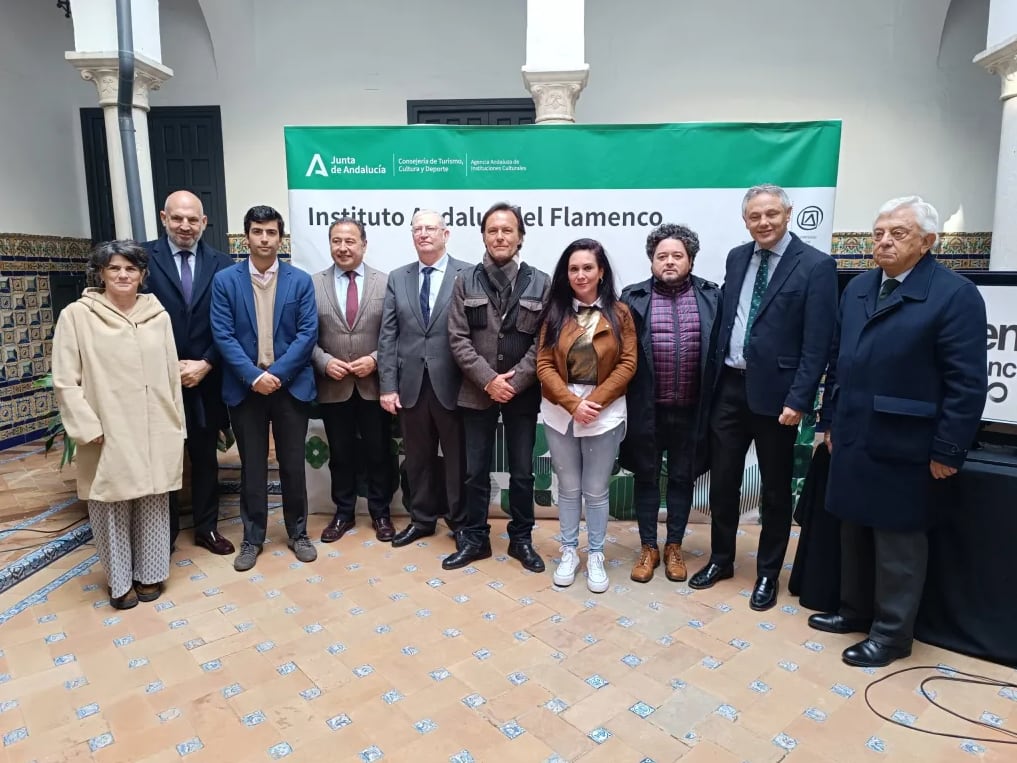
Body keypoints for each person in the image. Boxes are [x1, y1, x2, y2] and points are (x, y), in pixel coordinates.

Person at [808, 196, 987, 668]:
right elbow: (837, 362)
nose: (884, 241)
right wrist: (827, 421)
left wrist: (949, 448)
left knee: (897, 542)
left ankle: (891, 635)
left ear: (927, 242)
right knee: (853, 528)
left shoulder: (955, 295)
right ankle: (853, 610)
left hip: (907, 443)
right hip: (851, 433)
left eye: (898, 233)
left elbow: (966, 384)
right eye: (879, 233)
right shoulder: (860, 287)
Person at [689, 184, 837, 612]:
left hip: (780, 398)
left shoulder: (816, 266)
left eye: (772, 213)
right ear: (746, 220)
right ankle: (721, 559)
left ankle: (769, 573)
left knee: (774, 490)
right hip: (729, 389)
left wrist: (800, 398)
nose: (764, 222)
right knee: (723, 483)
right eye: (755, 216)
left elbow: (819, 341)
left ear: (788, 213)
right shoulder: (737, 258)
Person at [52, 240, 185, 609]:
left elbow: (172, 375)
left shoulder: (157, 315)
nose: (123, 275)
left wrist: (177, 424)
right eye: (115, 268)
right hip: (106, 428)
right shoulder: (77, 316)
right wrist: (85, 425)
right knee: (110, 502)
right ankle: (119, 581)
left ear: (142, 275)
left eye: (131, 269)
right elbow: (65, 379)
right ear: (101, 274)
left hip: (156, 424)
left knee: (153, 498)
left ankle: (150, 574)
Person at [210, 205, 318, 571]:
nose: (265, 239)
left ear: (280, 237)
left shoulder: (299, 281)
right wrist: (254, 377)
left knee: (292, 466)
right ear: (246, 237)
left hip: (290, 388)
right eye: (258, 232)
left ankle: (298, 533)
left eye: (272, 232)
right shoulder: (226, 281)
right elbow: (222, 336)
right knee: (252, 467)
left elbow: (307, 335)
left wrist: (278, 374)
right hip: (245, 389)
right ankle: (252, 539)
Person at [446, 203, 551, 572]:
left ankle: (521, 540)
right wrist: (489, 380)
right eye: (493, 230)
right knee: (475, 471)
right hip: (477, 392)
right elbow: (457, 339)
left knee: (523, 472)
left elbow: (544, 342)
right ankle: (475, 539)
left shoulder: (541, 281)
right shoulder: (465, 280)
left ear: (520, 236)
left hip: (522, 394)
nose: (500, 237)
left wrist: (515, 381)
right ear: (483, 236)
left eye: (508, 230)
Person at [620, 223, 721, 584]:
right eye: (661, 256)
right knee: (646, 477)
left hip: (694, 409)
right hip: (647, 409)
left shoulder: (713, 297)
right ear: (651, 261)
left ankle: (673, 546)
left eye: (677, 255)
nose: (669, 261)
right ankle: (648, 547)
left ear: (690, 259)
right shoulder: (632, 298)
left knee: (682, 478)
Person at [536, 239, 636, 593]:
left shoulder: (620, 312)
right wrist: (572, 403)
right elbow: (543, 364)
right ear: (567, 273)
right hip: (560, 409)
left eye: (587, 268)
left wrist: (595, 400)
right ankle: (568, 551)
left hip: (604, 410)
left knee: (594, 491)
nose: (580, 275)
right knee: (568, 488)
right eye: (574, 268)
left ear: (601, 271)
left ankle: (595, 554)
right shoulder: (554, 312)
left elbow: (628, 363)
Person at [144, 190, 235, 556]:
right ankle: (162, 534)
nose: (185, 226)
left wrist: (208, 362)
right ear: (164, 218)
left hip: (206, 377)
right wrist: (168, 366)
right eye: (178, 218)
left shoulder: (224, 265)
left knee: (204, 457)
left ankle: (206, 528)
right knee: (162, 457)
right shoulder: (141, 259)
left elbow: (231, 323)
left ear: (204, 222)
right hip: (156, 380)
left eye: (192, 219)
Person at [378, 210, 470, 548]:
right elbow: (388, 336)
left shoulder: (468, 274)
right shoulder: (397, 277)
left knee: (458, 459)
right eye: (418, 229)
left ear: (446, 234)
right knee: (417, 458)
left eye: (431, 228)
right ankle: (422, 519)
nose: (423, 234)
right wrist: (387, 386)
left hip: (455, 385)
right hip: (410, 385)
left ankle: (460, 522)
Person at [311, 218, 396, 543]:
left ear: (363, 243)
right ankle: (343, 512)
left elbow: (395, 333)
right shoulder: (313, 283)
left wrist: (375, 360)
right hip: (333, 386)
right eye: (336, 241)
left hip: (374, 386)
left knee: (378, 453)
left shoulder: (385, 282)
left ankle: (381, 513)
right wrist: (324, 361)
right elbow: (305, 335)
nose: (343, 247)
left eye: (350, 241)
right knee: (341, 455)